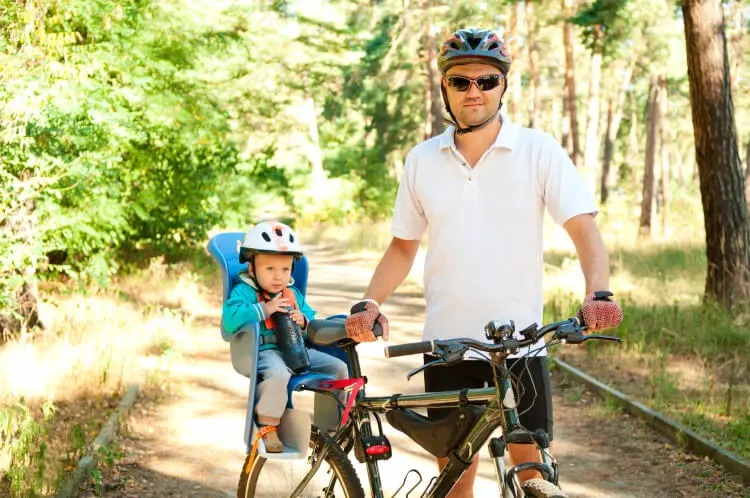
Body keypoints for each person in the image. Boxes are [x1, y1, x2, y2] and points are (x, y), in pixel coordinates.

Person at [344, 27, 623, 497]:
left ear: (502, 86)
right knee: (456, 483)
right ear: (445, 90)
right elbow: (402, 247)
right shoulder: (421, 160)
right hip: (446, 346)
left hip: (520, 345)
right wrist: (369, 302)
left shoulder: (538, 151)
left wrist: (598, 293)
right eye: (461, 82)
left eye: (486, 81)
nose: (474, 91)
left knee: (533, 474)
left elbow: (584, 230)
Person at [223, 221, 349, 453]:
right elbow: (229, 321)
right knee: (278, 372)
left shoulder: (292, 294)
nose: (278, 277)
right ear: (252, 269)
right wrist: (264, 309)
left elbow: (312, 320)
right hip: (263, 351)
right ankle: (268, 425)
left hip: (296, 349)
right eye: (269, 269)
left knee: (339, 367)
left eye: (285, 269)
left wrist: (304, 320)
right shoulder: (245, 291)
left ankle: (331, 427)